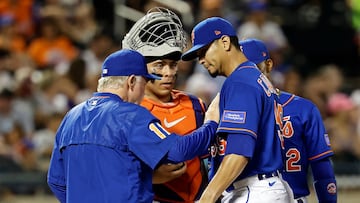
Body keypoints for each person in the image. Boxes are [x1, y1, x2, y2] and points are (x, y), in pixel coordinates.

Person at [47, 49, 220, 203]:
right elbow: (178, 151)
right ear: (131, 81)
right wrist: (211, 124)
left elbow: (56, 181)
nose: (143, 91)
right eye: (143, 83)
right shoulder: (129, 114)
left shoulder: (71, 117)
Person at [181, 17, 291, 203]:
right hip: (265, 186)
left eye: (203, 51)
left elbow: (239, 151)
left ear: (225, 42)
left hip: (255, 189)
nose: (200, 60)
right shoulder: (254, 76)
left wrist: (207, 198)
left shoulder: (240, 82)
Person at [122, 7, 210, 203]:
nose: (169, 72)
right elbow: (114, 168)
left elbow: (210, 160)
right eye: (160, 65)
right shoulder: (128, 112)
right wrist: (148, 177)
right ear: (141, 69)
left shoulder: (195, 104)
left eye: (173, 64)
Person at [240, 38, 337, 203]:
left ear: (269, 65)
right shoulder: (225, 109)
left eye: (253, 67)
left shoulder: (303, 109)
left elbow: (322, 167)